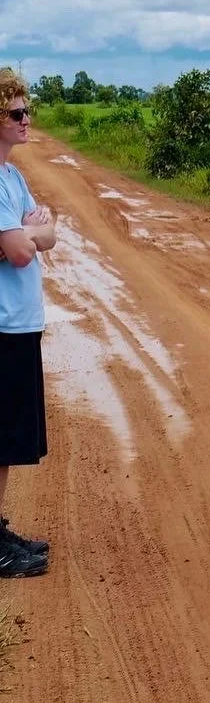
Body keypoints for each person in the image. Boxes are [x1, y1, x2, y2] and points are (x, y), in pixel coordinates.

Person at [0, 68, 55, 579]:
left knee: (8, 438)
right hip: (3, 325)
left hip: (19, 323)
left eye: (25, 110)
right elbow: (19, 250)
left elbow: (49, 232)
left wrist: (33, 233)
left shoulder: (13, 177)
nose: (25, 119)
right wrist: (30, 234)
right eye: (15, 113)